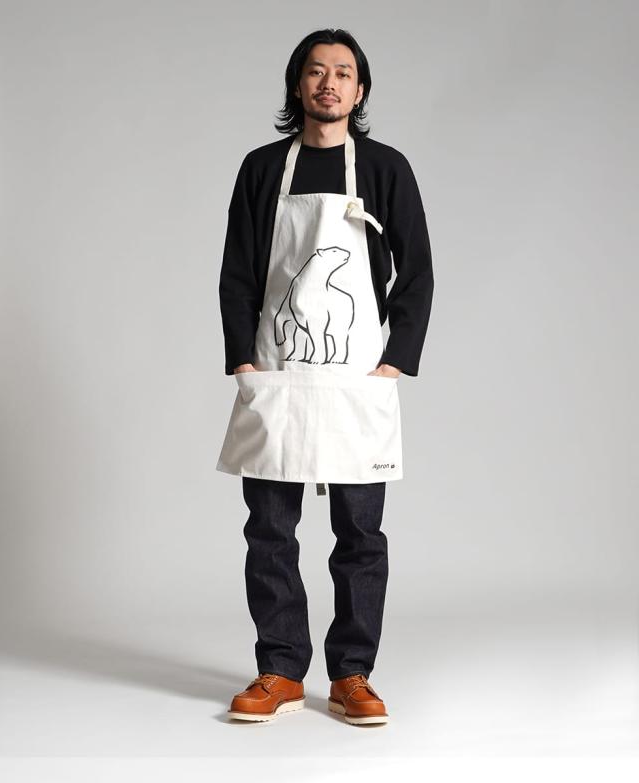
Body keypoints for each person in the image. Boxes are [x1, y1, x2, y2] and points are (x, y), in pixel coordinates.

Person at [217, 28, 434, 726]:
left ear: (360, 90)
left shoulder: (385, 168)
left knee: (360, 533)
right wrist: (243, 359)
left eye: (343, 72)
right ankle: (280, 669)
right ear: (298, 84)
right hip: (277, 369)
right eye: (316, 71)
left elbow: (417, 271)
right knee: (269, 530)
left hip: (355, 376)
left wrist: (395, 359)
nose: (329, 83)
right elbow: (239, 270)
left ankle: (352, 674)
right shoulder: (261, 168)